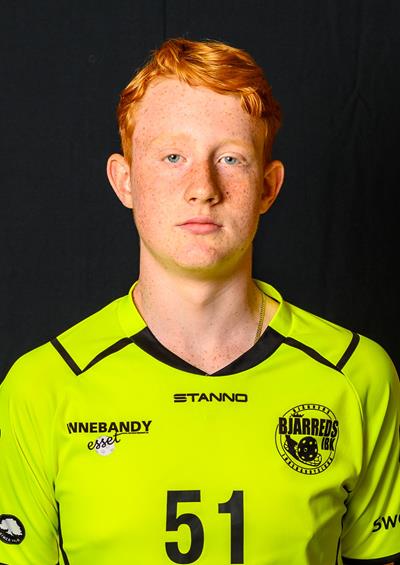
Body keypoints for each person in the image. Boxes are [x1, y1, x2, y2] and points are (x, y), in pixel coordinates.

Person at [0, 37, 399, 565]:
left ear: (268, 187)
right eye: (173, 157)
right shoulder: (43, 387)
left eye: (230, 158)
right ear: (125, 181)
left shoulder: (357, 375)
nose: (203, 187)